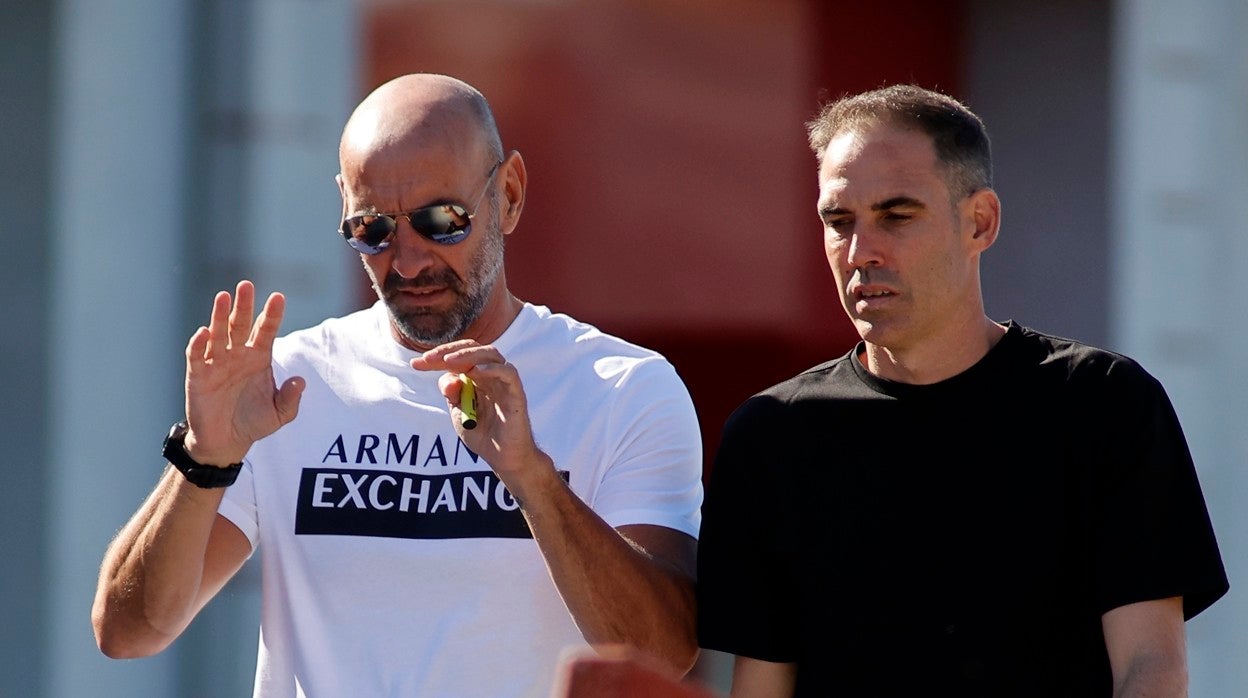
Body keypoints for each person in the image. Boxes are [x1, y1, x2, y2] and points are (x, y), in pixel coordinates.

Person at [92, 73, 703, 697]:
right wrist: (204, 459)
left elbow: (664, 651)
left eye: (442, 221)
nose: (408, 262)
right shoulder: (287, 386)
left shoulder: (621, 390)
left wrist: (534, 480)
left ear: (509, 195)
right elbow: (129, 633)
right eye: (373, 229)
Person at [695, 84, 1228, 697]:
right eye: (839, 222)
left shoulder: (1103, 403)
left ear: (980, 221)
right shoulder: (772, 436)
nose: (861, 252)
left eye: (897, 215)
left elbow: (1151, 669)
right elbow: (760, 686)